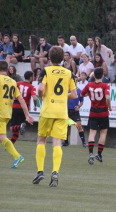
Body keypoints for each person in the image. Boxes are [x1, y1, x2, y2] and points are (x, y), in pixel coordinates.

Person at [32, 46, 78, 187]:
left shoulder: (46, 71)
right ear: (63, 58)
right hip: (61, 112)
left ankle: (40, 171)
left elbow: (40, 88)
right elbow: (75, 95)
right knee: (57, 143)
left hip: (48, 111)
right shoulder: (69, 73)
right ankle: (55, 172)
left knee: (41, 140)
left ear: (50, 58)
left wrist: (42, 96)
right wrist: (64, 96)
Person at [0, 61, 34, 168]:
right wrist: (27, 115)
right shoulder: (13, 82)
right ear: (8, 69)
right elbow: (21, 99)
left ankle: (17, 156)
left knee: (1, 137)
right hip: (8, 112)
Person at [80, 68, 112, 165]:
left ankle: (90, 154)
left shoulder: (89, 85)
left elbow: (82, 94)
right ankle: (99, 154)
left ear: (94, 76)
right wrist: (110, 107)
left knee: (92, 133)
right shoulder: (105, 85)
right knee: (103, 133)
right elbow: (107, 97)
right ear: (102, 76)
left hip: (93, 112)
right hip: (103, 113)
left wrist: (89, 94)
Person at [11, 71, 38, 144]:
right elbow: (35, 98)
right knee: (16, 131)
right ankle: (10, 146)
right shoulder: (31, 87)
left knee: (12, 128)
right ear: (30, 78)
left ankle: (19, 127)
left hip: (16, 106)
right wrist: (35, 106)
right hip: (24, 108)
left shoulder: (18, 84)